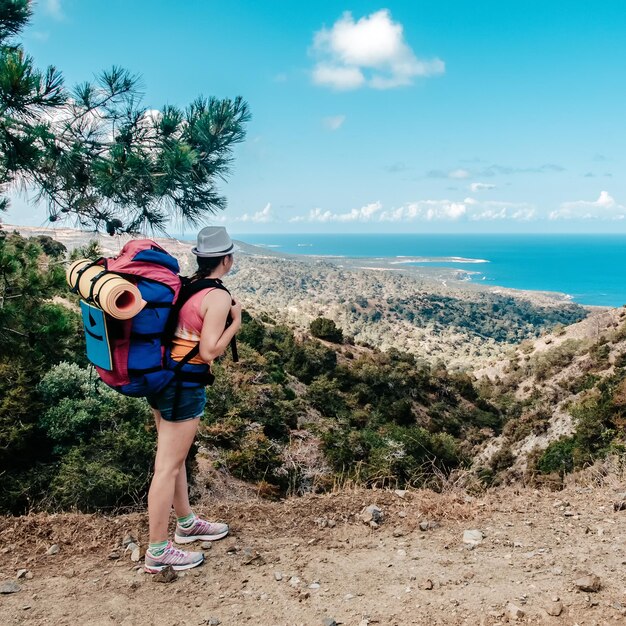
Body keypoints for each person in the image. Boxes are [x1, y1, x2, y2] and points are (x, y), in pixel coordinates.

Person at [143, 227, 242, 573]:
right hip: (184, 387)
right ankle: (157, 550)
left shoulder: (185, 285)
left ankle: (185, 523)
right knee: (167, 466)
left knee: (175, 459)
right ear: (227, 260)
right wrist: (236, 323)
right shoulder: (217, 297)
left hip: (163, 379)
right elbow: (210, 350)